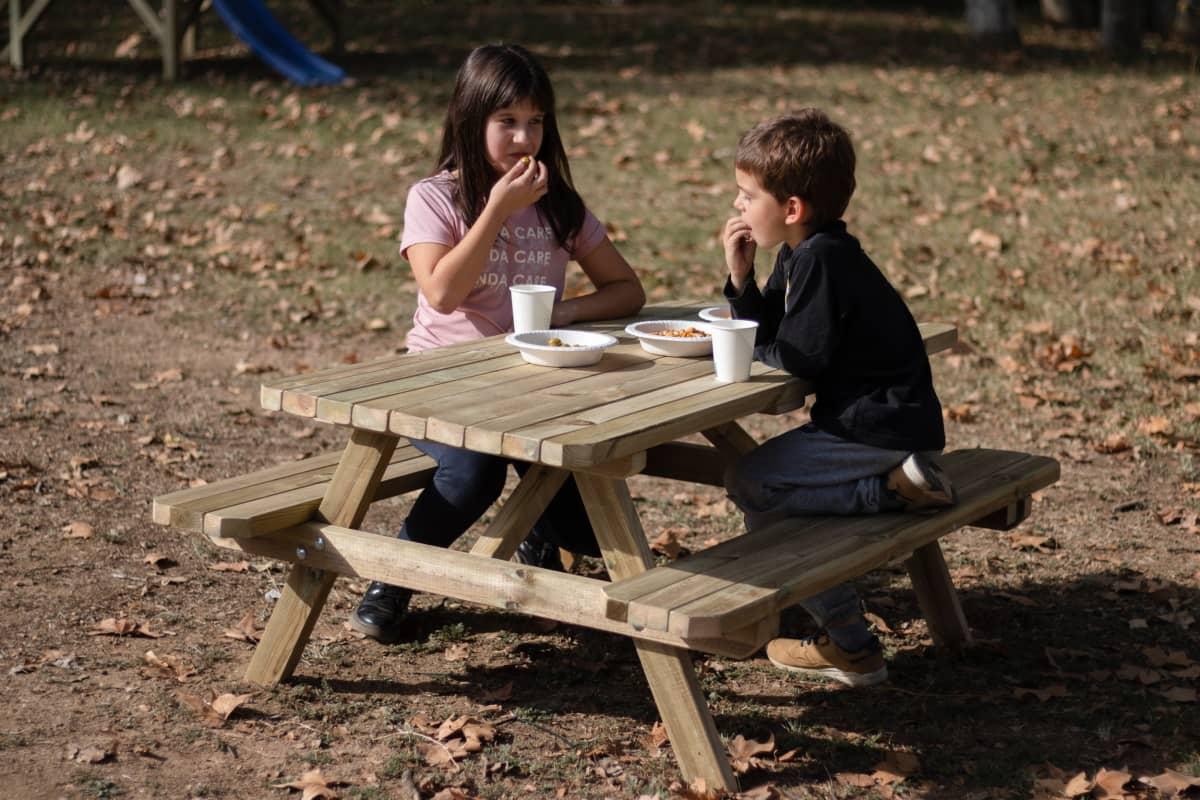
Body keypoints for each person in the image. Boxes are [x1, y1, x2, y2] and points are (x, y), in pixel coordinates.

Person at [350, 43, 645, 643]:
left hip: (531, 379)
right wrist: (495, 211)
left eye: (535, 122)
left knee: (584, 516)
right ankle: (391, 580)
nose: (523, 137)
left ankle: (538, 532)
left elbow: (626, 290)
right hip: (440, 377)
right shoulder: (434, 198)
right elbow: (441, 294)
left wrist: (560, 312)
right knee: (472, 478)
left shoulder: (559, 205)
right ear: (470, 119)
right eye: (506, 121)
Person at [719, 109, 956, 687]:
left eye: (748, 196)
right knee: (769, 502)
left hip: (875, 427)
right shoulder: (803, 251)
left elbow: (798, 357)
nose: (739, 210)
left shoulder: (824, 260)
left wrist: (757, 345)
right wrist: (742, 281)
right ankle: (848, 643)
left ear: (792, 209)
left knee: (753, 486)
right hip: (884, 424)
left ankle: (879, 508)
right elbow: (773, 329)